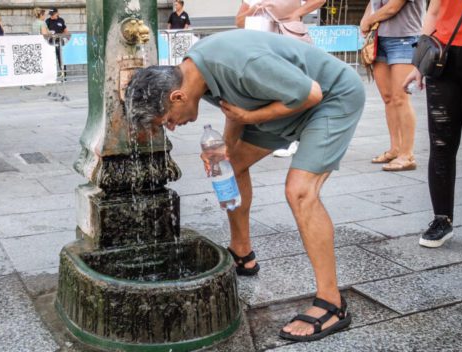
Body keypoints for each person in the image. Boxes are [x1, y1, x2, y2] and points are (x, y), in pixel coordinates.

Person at [126, 29, 364, 342]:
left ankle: (333, 303)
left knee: (300, 191)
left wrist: (250, 116)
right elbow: (234, 107)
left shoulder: (238, 63)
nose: (173, 126)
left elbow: (311, 94)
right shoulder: (196, 71)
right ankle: (242, 251)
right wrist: (226, 147)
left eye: (167, 120)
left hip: (330, 100)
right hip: (282, 107)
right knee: (228, 167)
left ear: (177, 97)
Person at [403, 0, 462, 254]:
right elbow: (433, 11)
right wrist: (418, 65)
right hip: (443, 60)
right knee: (441, 144)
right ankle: (441, 220)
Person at [235, 0, 325, 158]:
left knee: (292, 87)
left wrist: (297, 13)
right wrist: (253, 11)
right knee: (271, 91)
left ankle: (295, 138)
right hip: (262, 47)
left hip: (288, 41)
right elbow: (239, 22)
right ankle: (277, 136)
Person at [360, 0, 424, 171]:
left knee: (400, 98)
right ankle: (395, 149)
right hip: (379, 39)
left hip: (404, 38)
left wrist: (368, 20)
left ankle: (407, 154)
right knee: (388, 98)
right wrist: (365, 19)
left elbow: (394, 6)